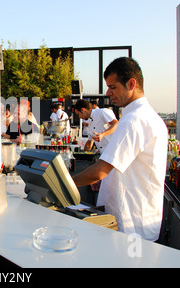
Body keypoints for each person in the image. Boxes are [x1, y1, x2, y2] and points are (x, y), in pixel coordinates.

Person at [72, 57, 168, 241]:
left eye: (113, 87)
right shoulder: (145, 117)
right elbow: (127, 163)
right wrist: (107, 179)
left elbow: (100, 170)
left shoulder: (135, 120)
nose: (108, 92)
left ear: (131, 83)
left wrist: (64, 183)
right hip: (135, 221)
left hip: (131, 224)